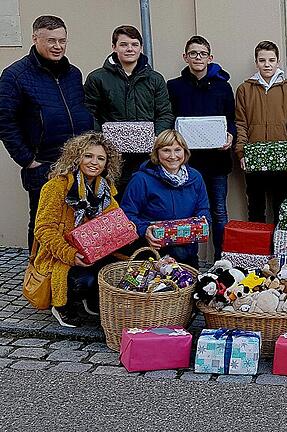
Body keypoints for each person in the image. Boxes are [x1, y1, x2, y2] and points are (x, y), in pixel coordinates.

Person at [0, 15, 93, 248]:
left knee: (75, 223)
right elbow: (4, 120)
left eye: (62, 40)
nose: (58, 46)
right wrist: (27, 159)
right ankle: (39, 277)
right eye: (51, 40)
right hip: (44, 165)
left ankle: (70, 279)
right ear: (35, 39)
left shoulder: (73, 73)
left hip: (77, 164)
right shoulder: (15, 76)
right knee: (43, 225)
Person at [34, 133, 123, 328]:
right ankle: (62, 305)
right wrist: (70, 254)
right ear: (76, 157)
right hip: (61, 254)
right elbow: (43, 229)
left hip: (93, 251)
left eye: (101, 158)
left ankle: (90, 298)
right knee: (84, 280)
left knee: (115, 268)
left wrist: (126, 228)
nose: (94, 162)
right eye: (88, 156)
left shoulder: (105, 188)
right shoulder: (56, 187)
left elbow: (114, 220)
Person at [167, 35, 236, 261]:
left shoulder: (223, 88)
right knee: (187, 215)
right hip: (185, 164)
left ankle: (221, 261)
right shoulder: (174, 87)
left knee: (219, 212)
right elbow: (169, 121)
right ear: (185, 57)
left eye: (203, 54)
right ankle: (190, 262)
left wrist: (230, 135)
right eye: (193, 53)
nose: (198, 57)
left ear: (210, 58)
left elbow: (233, 120)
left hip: (217, 162)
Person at [84, 25, 174, 193]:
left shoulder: (155, 79)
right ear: (114, 47)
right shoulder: (97, 78)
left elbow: (165, 113)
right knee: (113, 203)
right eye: (124, 44)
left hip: (147, 157)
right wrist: (103, 141)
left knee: (146, 200)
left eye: (134, 44)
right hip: (112, 157)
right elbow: (89, 113)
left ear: (141, 47)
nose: (129, 49)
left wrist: (156, 137)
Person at [121, 130, 211, 268]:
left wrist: (203, 224)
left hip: (188, 252)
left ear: (185, 152)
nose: (173, 156)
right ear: (157, 153)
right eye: (166, 150)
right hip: (154, 252)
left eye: (177, 150)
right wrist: (144, 230)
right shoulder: (140, 179)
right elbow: (126, 214)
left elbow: (203, 208)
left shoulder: (196, 177)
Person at [234, 40, 287, 223]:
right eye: (262, 60)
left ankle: (278, 250)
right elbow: (240, 124)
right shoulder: (244, 89)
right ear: (256, 62)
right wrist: (241, 153)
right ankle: (258, 250)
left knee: (282, 209)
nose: (267, 64)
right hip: (254, 159)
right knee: (255, 209)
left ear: (277, 62)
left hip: (282, 160)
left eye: (271, 60)